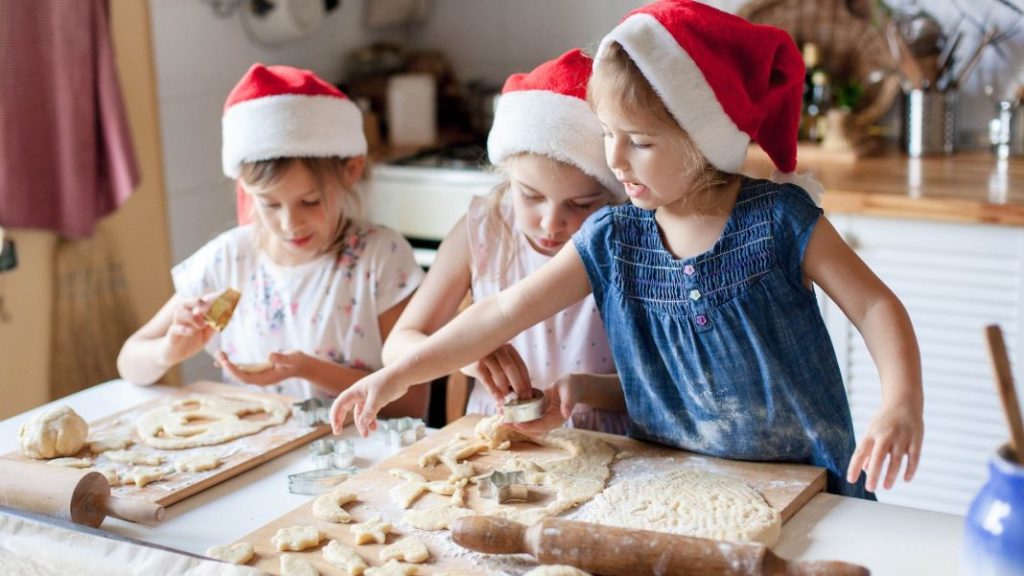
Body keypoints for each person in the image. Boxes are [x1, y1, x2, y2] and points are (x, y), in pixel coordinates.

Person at [330, 0, 924, 498]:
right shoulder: (613, 238)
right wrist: (394, 375)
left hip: (805, 482)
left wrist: (901, 401)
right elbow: (501, 313)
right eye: (608, 133)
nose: (613, 160)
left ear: (702, 138)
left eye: (637, 141)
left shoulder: (779, 219)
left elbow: (874, 306)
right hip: (672, 482)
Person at [118, 64, 427, 417]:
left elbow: (413, 402)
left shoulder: (380, 259)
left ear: (351, 171)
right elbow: (129, 362)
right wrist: (167, 352)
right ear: (246, 190)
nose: (289, 223)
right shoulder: (229, 261)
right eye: (268, 204)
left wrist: (306, 369)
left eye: (310, 201)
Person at [382, 49, 629, 435]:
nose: (551, 222)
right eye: (530, 195)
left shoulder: (628, 242)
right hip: (496, 439)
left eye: (581, 204)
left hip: (603, 441)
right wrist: (464, 355)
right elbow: (398, 345)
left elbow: (660, 386)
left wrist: (585, 390)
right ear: (506, 175)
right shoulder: (482, 230)